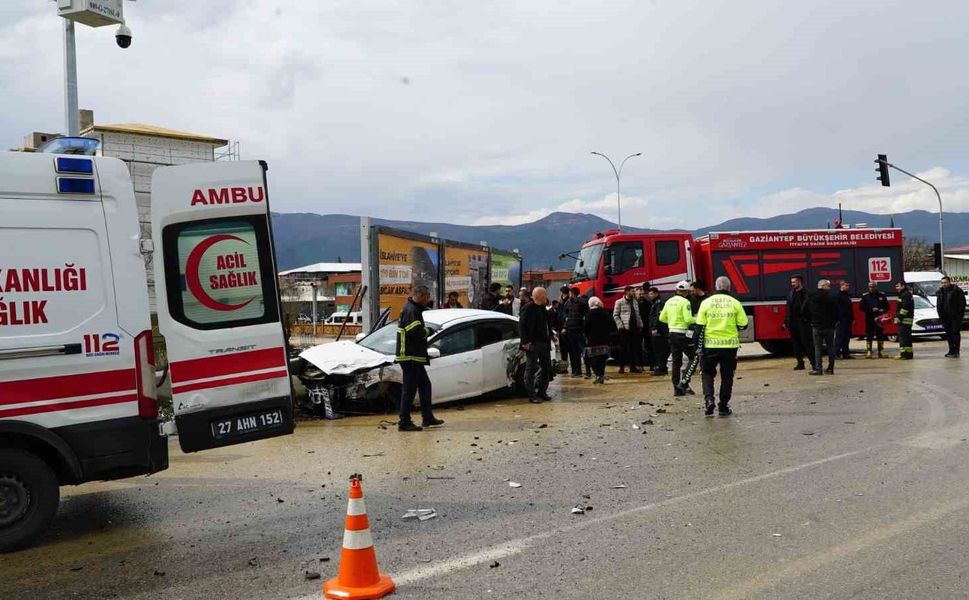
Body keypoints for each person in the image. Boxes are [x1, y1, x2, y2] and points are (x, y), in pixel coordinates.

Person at [696, 276, 748, 416]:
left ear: (716, 287)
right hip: (729, 347)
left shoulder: (706, 303)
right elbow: (744, 325)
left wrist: (697, 347)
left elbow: (699, 327)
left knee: (707, 374)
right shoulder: (735, 303)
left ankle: (709, 400)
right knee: (727, 376)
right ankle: (723, 406)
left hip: (709, 346)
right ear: (729, 287)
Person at [396, 285, 444, 432]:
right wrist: (429, 331)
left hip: (414, 356)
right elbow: (415, 331)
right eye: (427, 297)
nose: (428, 300)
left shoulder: (413, 309)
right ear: (422, 295)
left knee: (425, 385)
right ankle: (404, 422)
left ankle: (427, 417)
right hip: (410, 356)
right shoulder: (411, 310)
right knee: (409, 390)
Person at [659, 281, 696, 396]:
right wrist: (698, 318)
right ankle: (684, 382)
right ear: (686, 292)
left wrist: (672, 323)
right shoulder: (685, 302)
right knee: (694, 358)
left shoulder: (669, 301)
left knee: (676, 361)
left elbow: (662, 318)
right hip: (683, 334)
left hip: (672, 333)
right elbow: (688, 320)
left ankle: (676, 389)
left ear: (676, 290)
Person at [520, 287, 554, 402]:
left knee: (546, 368)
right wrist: (525, 342)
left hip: (544, 343)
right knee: (531, 369)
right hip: (532, 343)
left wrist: (552, 336)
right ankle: (531, 394)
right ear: (539, 296)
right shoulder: (528, 308)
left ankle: (542, 391)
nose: (546, 297)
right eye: (544, 295)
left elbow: (547, 324)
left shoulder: (543, 308)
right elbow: (522, 326)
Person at [803, 279, 839, 375]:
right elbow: (836, 311)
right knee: (830, 347)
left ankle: (818, 369)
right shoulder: (831, 297)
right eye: (828, 286)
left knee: (817, 349)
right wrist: (834, 322)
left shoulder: (811, 295)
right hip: (829, 327)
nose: (829, 288)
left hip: (816, 326)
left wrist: (810, 320)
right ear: (823, 286)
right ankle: (830, 368)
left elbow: (804, 309)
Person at [785, 275, 814, 370]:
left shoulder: (806, 293)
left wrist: (809, 319)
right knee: (795, 343)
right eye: (792, 282)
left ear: (799, 282)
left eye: (794, 282)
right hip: (793, 323)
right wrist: (785, 321)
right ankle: (800, 363)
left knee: (807, 343)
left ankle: (814, 363)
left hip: (803, 322)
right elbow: (788, 309)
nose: (792, 284)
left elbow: (810, 308)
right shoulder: (791, 293)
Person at [613, 285, 644, 374]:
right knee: (623, 348)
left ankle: (633, 367)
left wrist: (640, 324)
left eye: (634, 291)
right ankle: (622, 367)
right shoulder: (619, 302)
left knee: (634, 348)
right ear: (626, 292)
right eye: (632, 291)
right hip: (624, 329)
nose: (634, 292)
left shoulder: (635, 301)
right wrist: (620, 326)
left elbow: (638, 314)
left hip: (634, 328)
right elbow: (615, 315)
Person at [584, 296, 615, 384]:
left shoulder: (589, 313)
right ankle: (601, 374)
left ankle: (598, 375)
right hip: (604, 339)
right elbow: (611, 325)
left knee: (593, 358)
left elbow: (586, 326)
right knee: (602, 358)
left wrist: (586, 335)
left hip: (593, 340)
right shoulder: (605, 312)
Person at [936, 276, 966, 358]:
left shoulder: (957, 291)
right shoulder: (940, 292)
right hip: (945, 317)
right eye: (942, 283)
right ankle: (951, 350)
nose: (944, 284)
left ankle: (956, 351)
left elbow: (962, 304)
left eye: (945, 282)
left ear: (949, 282)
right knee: (948, 334)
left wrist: (958, 316)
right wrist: (940, 314)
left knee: (955, 333)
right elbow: (938, 304)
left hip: (955, 317)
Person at [562, 287, 588, 377]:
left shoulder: (582, 302)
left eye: (570, 293)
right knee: (573, 352)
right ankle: (576, 371)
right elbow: (565, 315)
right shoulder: (567, 303)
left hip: (579, 330)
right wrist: (564, 327)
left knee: (583, 351)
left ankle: (587, 370)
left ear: (573, 294)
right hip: (570, 330)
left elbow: (586, 314)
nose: (569, 295)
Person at [860, 282, 890, 358]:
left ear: (876, 287)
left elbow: (887, 306)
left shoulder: (882, 295)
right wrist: (871, 309)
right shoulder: (865, 296)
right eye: (870, 287)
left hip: (879, 318)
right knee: (869, 335)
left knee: (880, 335)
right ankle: (869, 351)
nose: (871, 288)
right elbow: (861, 307)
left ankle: (881, 351)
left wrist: (881, 310)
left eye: (873, 287)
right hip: (869, 318)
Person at [647, 287, 669, 376]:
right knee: (660, 350)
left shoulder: (659, 303)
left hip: (659, 330)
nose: (649, 296)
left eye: (651, 294)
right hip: (659, 329)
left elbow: (657, 317)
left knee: (659, 350)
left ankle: (660, 368)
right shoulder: (655, 302)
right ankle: (662, 367)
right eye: (649, 294)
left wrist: (654, 328)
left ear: (656, 293)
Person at [833, 281, 854, 359]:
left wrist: (852, 318)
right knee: (839, 337)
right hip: (841, 320)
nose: (848, 287)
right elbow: (836, 309)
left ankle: (846, 353)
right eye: (846, 285)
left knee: (847, 337)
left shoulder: (847, 295)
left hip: (848, 320)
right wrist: (837, 319)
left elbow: (850, 308)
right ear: (841, 286)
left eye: (848, 285)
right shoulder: (838, 295)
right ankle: (836, 353)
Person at [894, 281, 915, 360]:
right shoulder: (905, 294)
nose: (896, 288)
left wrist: (899, 317)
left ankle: (904, 355)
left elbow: (905, 307)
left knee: (903, 338)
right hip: (907, 319)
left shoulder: (905, 295)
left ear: (903, 286)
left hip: (904, 320)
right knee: (907, 338)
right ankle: (909, 354)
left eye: (898, 286)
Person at [636, 286, 654, 371]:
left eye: (642, 293)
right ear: (635, 293)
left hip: (646, 327)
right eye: (639, 293)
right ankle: (639, 365)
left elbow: (650, 315)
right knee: (637, 347)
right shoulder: (633, 303)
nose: (641, 295)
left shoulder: (647, 302)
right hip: (637, 327)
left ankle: (652, 364)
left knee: (649, 346)